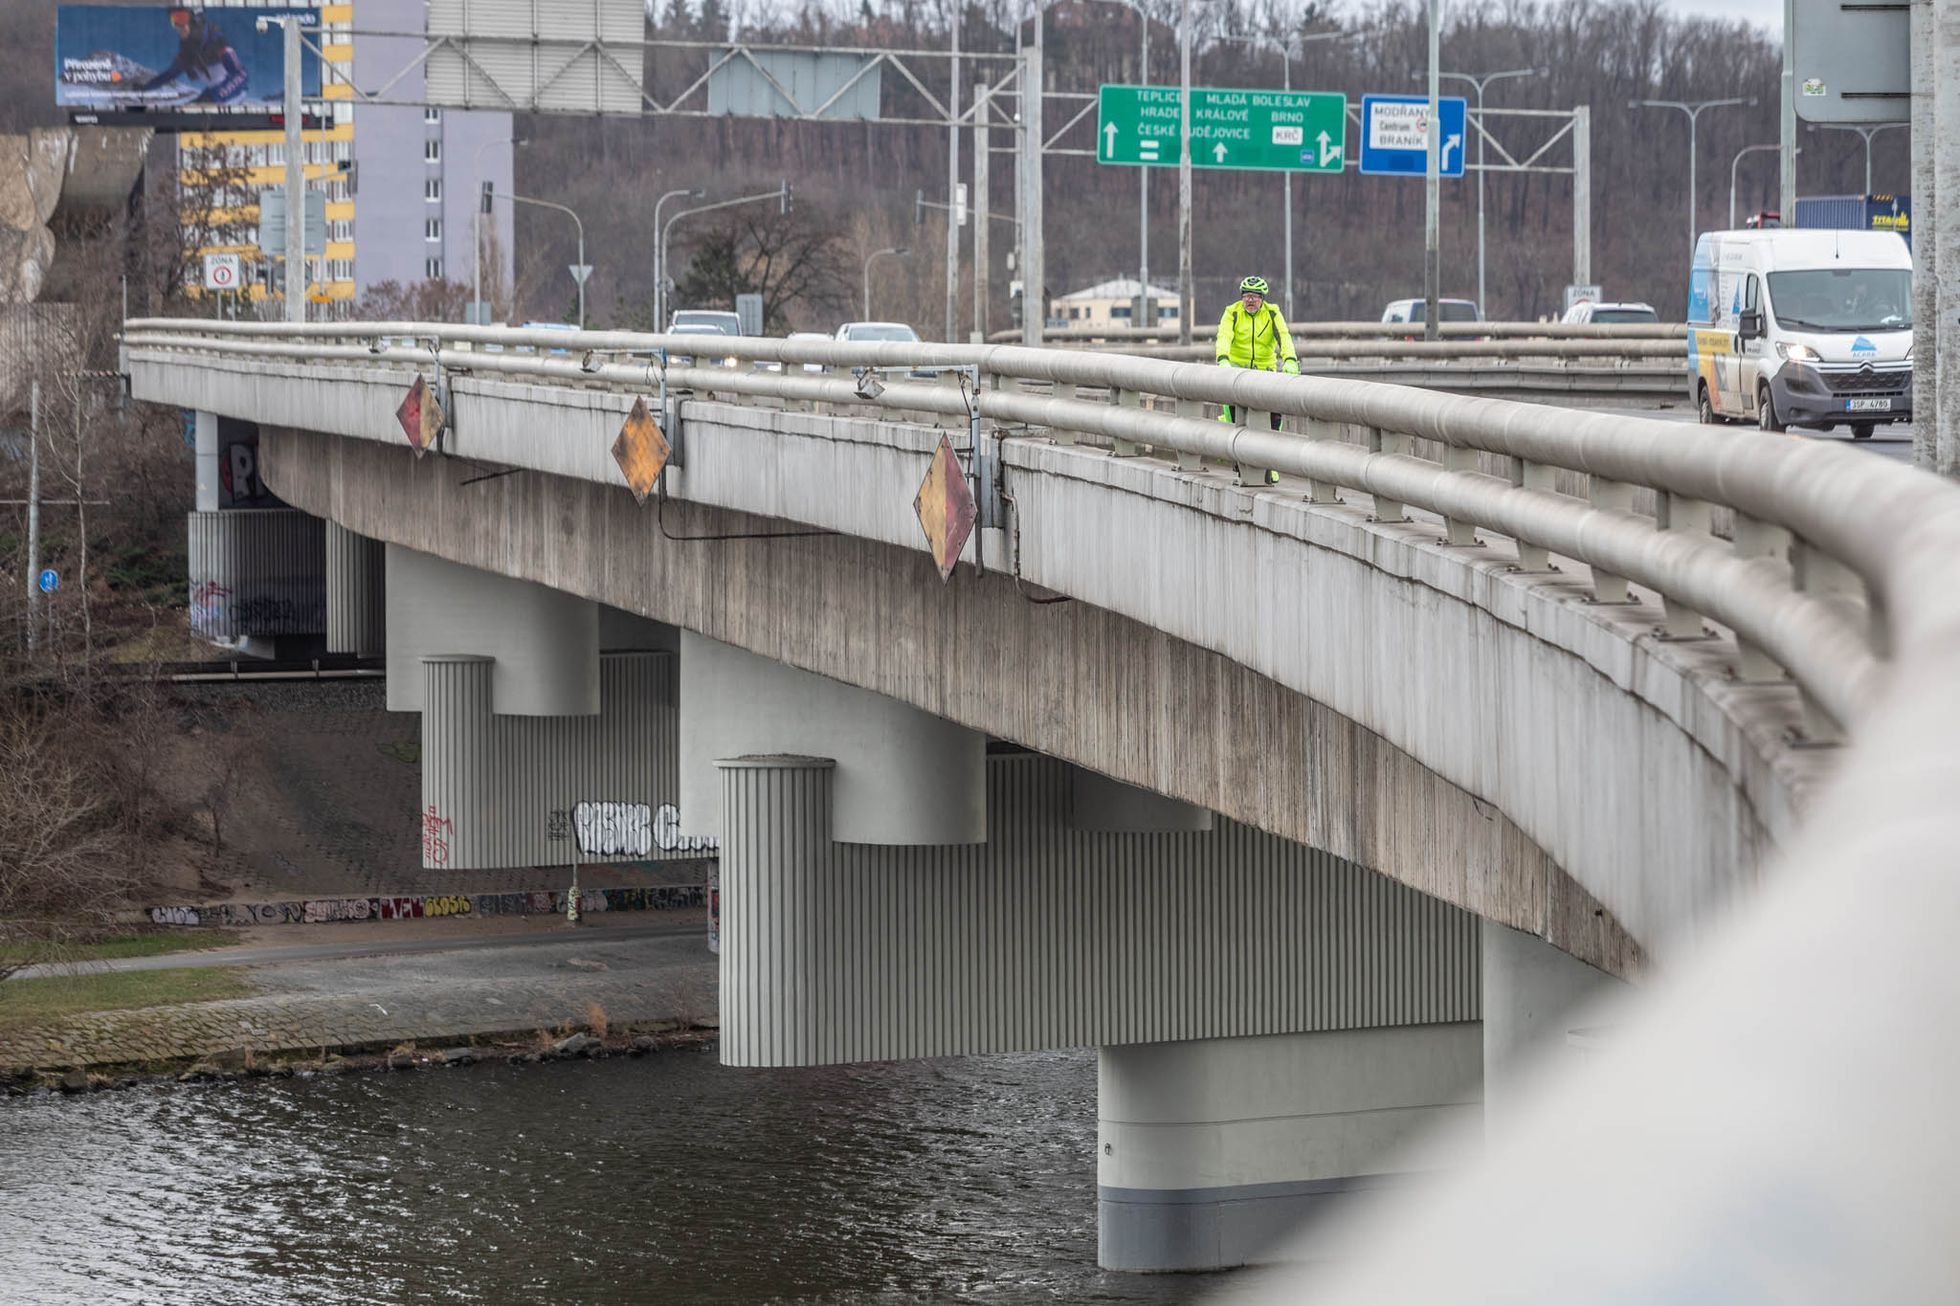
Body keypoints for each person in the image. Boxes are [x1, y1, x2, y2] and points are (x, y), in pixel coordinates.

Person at [1214, 275, 1300, 485]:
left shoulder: (1272, 313)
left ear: (1262, 299)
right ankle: (1236, 456)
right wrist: (1223, 359)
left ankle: (1271, 464)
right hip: (1236, 372)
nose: (1250, 301)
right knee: (1233, 415)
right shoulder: (1232, 313)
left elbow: (1284, 336)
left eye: (1254, 297)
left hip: (1265, 371)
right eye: (1246, 297)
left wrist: (1290, 360)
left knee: (1274, 419)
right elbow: (1223, 337)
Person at [140, 8, 251, 105]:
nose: (177, 26)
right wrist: (143, 89)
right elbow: (169, 75)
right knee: (184, 115)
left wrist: (215, 96)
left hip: (233, 94)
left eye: (180, 18)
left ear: (196, 19)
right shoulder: (187, 52)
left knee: (197, 112)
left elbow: (241, 75)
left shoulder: (216, 41)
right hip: (214, 93)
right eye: (173, 20)